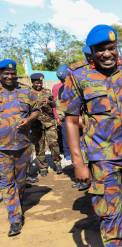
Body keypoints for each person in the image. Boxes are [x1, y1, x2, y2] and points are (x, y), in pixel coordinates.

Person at [61, 24, 122, 246]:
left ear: (117, 47)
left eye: (111, 48)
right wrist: (77, 162)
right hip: (102, 157)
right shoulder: (78, 75)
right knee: (110, 212)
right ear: (91, 52)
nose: (106, 54)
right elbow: (72, 120)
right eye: (100, 49)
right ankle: (116, 239)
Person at [0, 59, 40, 236]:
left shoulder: (26, 91)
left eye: (12, 73)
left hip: (23, 146)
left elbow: (37, 109)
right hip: (1, 149)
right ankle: (15, 219)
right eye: (5, 73)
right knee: (7, 183)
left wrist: (29, 119)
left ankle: (19, 201)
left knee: (21, 181)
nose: (9, 76)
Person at [30, 73, 63, 176]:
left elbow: (54, 105)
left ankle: (57, 163)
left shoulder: (47, 91)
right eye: (37, 82)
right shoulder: (28, 93)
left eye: (40, 82)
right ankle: (43, 167)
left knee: (54, 144)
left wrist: (50, 102)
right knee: (39, 146)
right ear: (32, 82)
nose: (39, 84)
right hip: (36, 124)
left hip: (49, 122)